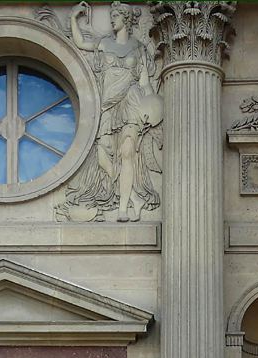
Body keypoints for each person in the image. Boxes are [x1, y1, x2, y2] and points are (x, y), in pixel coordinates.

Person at [62, 0, 162, 222]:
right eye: (111, 15)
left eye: (115, 15)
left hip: (132, 102)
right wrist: (73, 18)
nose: (112, 19)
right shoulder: (104, 43)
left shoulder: (138, 48)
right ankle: (131, 194)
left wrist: (153, 110)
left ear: (125, 19)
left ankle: (124, 207)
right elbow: (79, 42)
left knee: (127, 153)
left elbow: (145, 83)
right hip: (108, 104)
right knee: (103, 153)